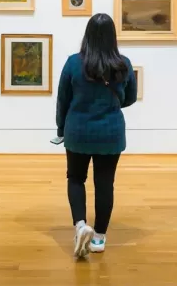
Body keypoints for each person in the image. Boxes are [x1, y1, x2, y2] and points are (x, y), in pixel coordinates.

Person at [56, 13, 137, 258]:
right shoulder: (123, 64)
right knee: (104, 184)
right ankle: (99, 237)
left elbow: (63, 100)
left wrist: (61, 129)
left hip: (78, 131)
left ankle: (81, 225)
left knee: (76, 178)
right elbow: (130, 97)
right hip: (110, 133)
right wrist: (108, 106)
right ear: (113, 36)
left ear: (87, 35)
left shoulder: (72, 63)